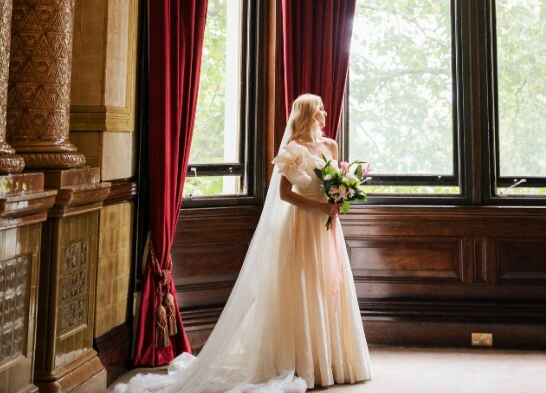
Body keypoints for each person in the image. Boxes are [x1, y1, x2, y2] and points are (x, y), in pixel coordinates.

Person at [115, 94, 371, 393]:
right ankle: (304, 362)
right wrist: (320, 206)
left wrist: (338, 199)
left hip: (327, 227)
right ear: (308, 114)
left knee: (327, 284)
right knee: (302, 286)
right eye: (320, 110)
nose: (325, 114)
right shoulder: (293, 148)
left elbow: (333, 182)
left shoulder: (331, 145)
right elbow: (285, 194)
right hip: (303, 224)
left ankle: (332, 361)